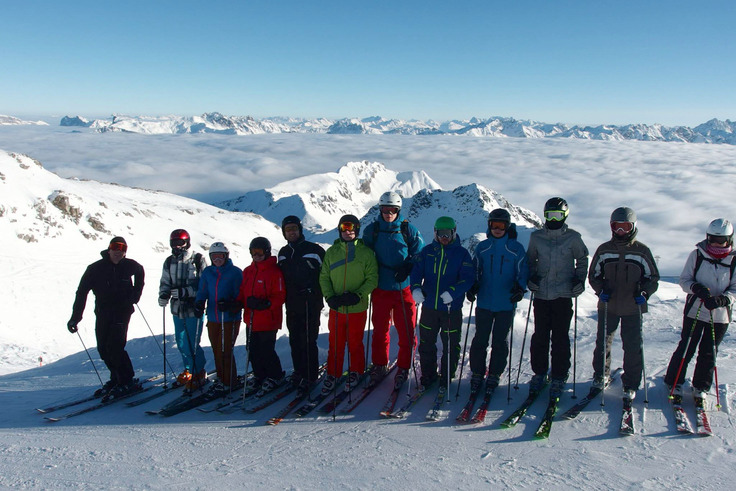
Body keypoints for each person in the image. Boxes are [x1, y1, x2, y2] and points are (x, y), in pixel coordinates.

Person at [588, 207, 659, 402]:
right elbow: (593, 274)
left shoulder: (641, 251)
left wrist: (644, 292)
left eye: (625, 227)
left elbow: (652, 277)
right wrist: (601, 290)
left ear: (633, 227)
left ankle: (631, 382)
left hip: (632, 307)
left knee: (633, 345)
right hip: (608, 305)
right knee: (603, 342)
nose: (621, 231)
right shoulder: (604, 249)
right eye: (617, 227)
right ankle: (601, 374)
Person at [664, 218, 736, 404]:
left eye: (722, 241)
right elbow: (684, 280)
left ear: (730, 239)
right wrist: (697, 289)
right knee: (687, 346)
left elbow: (735, 289)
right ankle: (674, 381)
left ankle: (701, 386)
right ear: (707, 237)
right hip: (696, 309)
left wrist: (723, 299)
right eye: (713, 239)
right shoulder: (697, 255)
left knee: (709, 351)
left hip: (720, 315)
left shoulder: (734, 260)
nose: (717, 244)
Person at [526, 197, 589, 400]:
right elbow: (529, 261)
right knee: (540, 336)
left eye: (558, 215)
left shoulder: (573, 238)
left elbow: (582, 258)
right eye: (550, 215)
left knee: (560, 337)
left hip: (563, 294)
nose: (553, 219)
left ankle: (560, 374)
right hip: (542, 294)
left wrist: (579, 280)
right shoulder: (536, 237)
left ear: (565, 216)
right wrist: (531, 278)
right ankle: (540, 373)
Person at [67, 236, 145, 399]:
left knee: (115, 346)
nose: (118, 252)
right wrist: (76, 318)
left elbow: (140, 272)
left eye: (122, 249)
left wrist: (135, 296)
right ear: (108, 250)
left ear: (125, 252)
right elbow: (81, 293)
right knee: (103, 348)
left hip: (122, 311)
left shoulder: (130, 266)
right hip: (103, 312)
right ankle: (116, 378)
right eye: (115, 248)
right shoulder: (95, 268)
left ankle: (126, 380)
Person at [363, 191, 424, 389]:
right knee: (379, 331)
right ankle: (379, 365)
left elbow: (419, 253)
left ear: (398, 210)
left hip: (403, 289)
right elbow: (365, 254)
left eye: (393, 209)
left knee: (406, 331)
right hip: (381, 288)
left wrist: (408, 266)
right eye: (385, 209)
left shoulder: (408, 230)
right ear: (379, 209)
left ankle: (404, 367)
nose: (388, 213)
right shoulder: (372, 230)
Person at [466, 209, 529, 395]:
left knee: (500, 342)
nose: (498, 229)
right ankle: (477, 372)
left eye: (501, 226)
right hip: (484, 301)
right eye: (494, 225)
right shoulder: (483, 247)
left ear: (507, 226)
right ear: (489, 226)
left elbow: (523, 271)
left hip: (506, 303)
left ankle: (494, 373)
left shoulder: (515, 248)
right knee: (480, 339)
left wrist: (520, 288)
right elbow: (475, 268)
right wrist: (473, 286)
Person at [410, 216, 475, 391]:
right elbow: (416, 272)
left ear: (454, 232)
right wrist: (416, 289)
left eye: (447, 233)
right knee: (426, 342)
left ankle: (447, 375)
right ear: (435, 233)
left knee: (450, 344)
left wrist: (453, 293)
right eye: (440, 234)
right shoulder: (427, 251)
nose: (444, 237)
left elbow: (468, 278)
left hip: (450, 309)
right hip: (429, 306)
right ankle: (428, 374)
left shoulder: (462, 254)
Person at [319, 215, 378, 395]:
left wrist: (358, 295)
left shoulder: (366, 253)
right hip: (336, 307)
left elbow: (372, 278)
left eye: (352, 228)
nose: (348, 231)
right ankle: (333, 373)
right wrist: (329, 297)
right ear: (339, 229)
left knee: (355, 342)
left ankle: (356, 371)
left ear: (357, 230)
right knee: (335, 342)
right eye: (344, 228)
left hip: (357, 307)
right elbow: (324, 277)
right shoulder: (332, 252)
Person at [277, 216, 325, 395]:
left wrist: (314, 291)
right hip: (292, 302)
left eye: (294, 228)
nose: (292, 232)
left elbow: (325, 275)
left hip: (310, 302)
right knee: (294, 339)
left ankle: (310, 376)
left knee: (308, 339)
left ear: (300, 229)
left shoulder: (314, 250)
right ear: (284, 232)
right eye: (288, 229)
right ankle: (299, 372)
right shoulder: (283, 253)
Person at [158, 229, 208, 392]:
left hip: (194, 308)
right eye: (174, 243)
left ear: (187, 242)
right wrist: (164, 294)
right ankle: (189, 369)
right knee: (180, 342)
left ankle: (198, 371)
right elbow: (165, 281)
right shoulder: (169, 261)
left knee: (191, 343)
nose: (178, 246)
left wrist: (185, 292)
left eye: (181, 242)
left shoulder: (197, 259)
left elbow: (204, 284)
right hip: (177, 308)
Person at [237, 237, 287, 397]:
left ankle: (276, 376)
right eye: (253, 252)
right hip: (251, 319)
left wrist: (264, 304)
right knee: (252, 350)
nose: (256, 256)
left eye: (259, 252)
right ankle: (260, 375)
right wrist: (237, 303)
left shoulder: (274, 272)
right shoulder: (248, 271)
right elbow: (242, 292)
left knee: (266, 350)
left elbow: (280, 296)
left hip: (268, 319)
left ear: (267, 252)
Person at [194, 242, 243, 394]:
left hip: (229, 318)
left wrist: (230, 304)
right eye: (214, 256)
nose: (217, 259)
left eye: (220, 256)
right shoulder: (208, 272)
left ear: (226, 256)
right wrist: (199, 303)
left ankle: (230, 381)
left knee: (225, 349)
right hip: (213, 317)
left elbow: (240, 295)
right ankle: (222, 378)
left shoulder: (235, 272)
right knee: (217, 350)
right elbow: (202, 290)